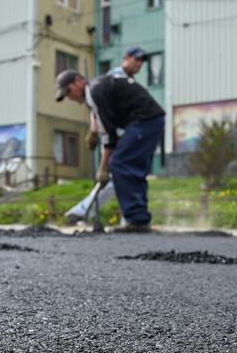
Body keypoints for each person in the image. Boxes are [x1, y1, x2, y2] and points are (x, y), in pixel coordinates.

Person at [56, 47, 165, 232]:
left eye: (68, 91)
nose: (69, 97)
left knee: (121, 163)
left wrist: (103, 167)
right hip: (150, 121)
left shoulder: (95, 90)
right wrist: (94, 132)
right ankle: (139, 219)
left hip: (144, 121)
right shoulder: (98, 87)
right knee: (134, 168)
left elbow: (109, 135)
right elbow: (105, 124)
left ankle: (136, 220)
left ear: (79, 81)